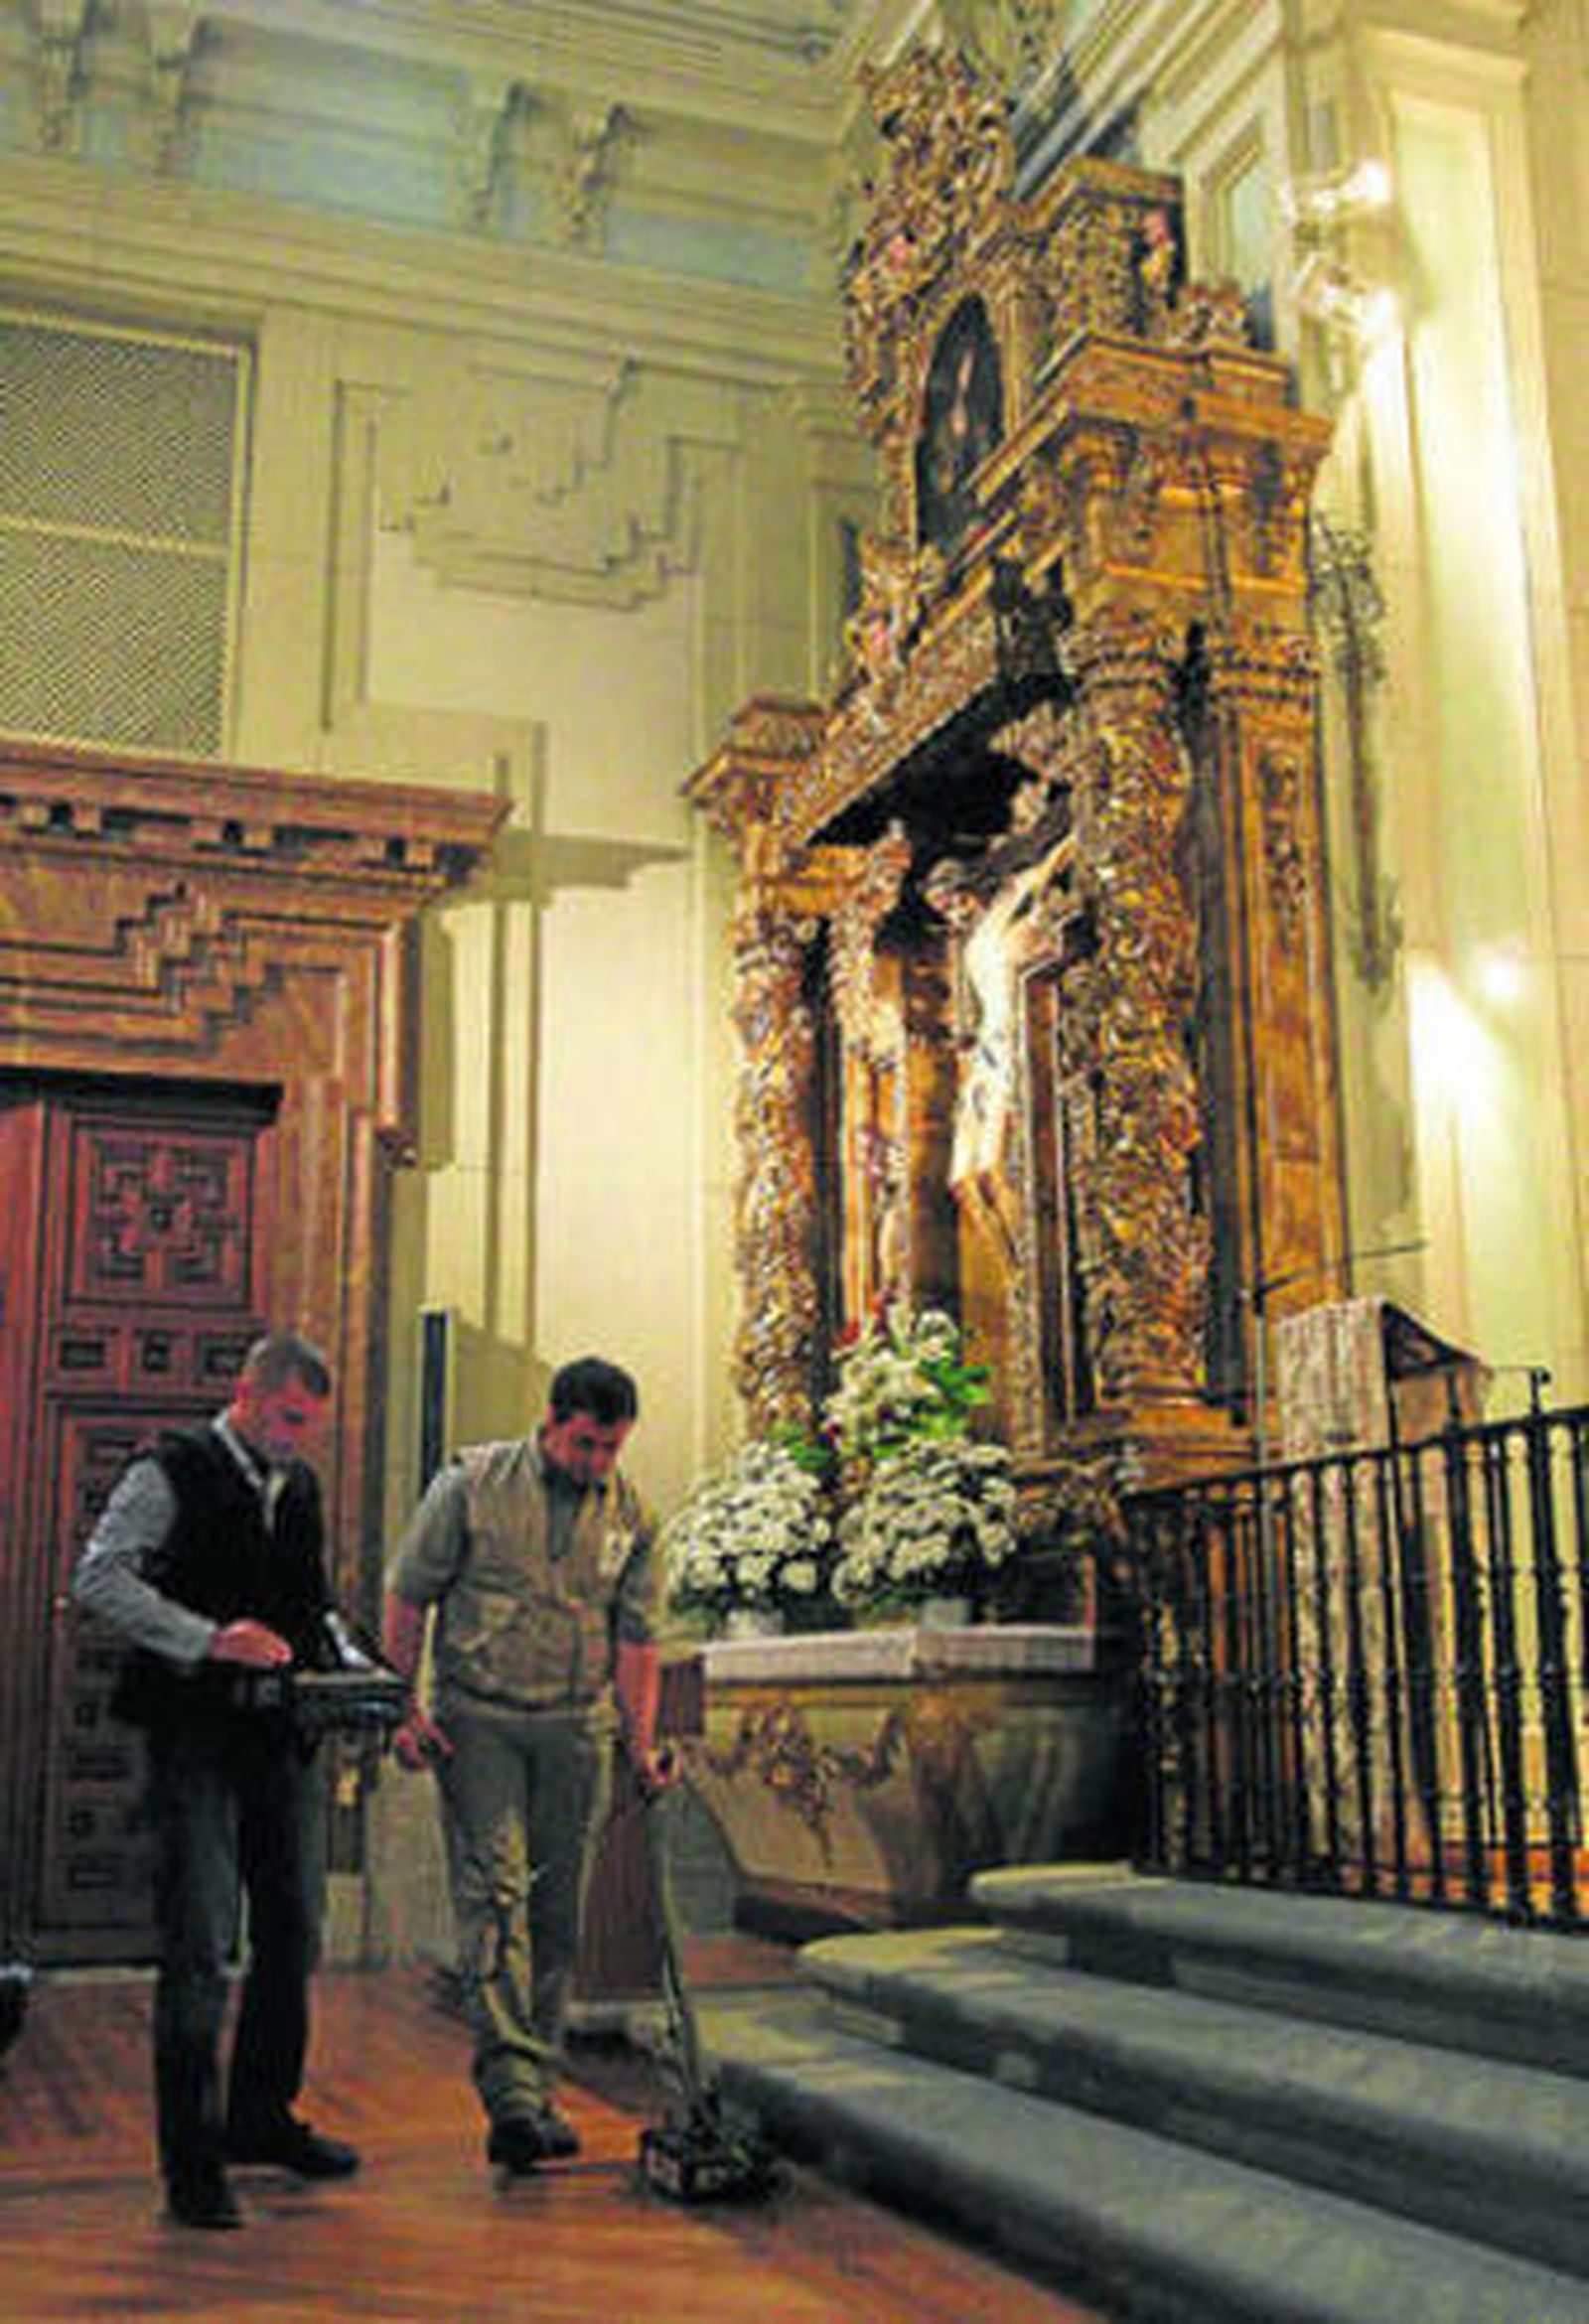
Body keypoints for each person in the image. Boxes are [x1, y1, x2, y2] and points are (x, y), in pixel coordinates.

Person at [72, 1331, 361, 2231]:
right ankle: (192, 2164)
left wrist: (348, 1668)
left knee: (294, 1932)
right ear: (246, 1394)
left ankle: (261, 2119)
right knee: (199, 1944)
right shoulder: (173, 1468)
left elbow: (307, 1606)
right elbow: (100, 1580)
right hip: (193, 1735)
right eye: (285, 1420)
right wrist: (207, 1640)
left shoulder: (300, 1486)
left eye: (310, 1426)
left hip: (280, 1738)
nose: (296, 1439)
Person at [381, 1355, 672, 2176]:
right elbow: (409, 1596)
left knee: (555, 1920)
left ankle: (536, 2091)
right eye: (584, 1445)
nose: (596, 1464)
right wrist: (401, 1709)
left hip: (576, 1730)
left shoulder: (634, 1516)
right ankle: (510, 2095)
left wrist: (640, 1744)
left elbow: (638, 1638)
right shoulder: (469, 1486)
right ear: (551, 1422)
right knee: (497, 1898)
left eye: (611, 1449)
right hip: (480, 1725)